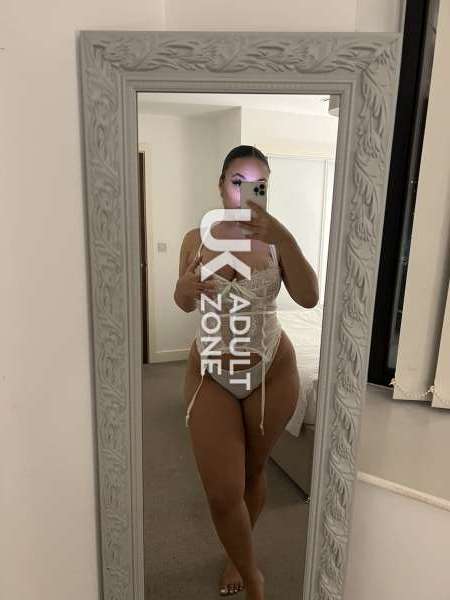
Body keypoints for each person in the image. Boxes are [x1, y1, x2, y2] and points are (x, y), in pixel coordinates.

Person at [173, 145, 319, 599]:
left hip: (271, 370)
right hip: (211, 371)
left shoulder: (277, 239)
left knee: (254, 473)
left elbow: (309, 298)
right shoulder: (195, 239)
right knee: (223, 491)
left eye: (258, 184)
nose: (245, 191)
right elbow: (184, 302)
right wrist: (184, 287)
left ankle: (237, 558)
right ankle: (253, 574)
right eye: (237, 181)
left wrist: (284, 237)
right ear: (221, 185)